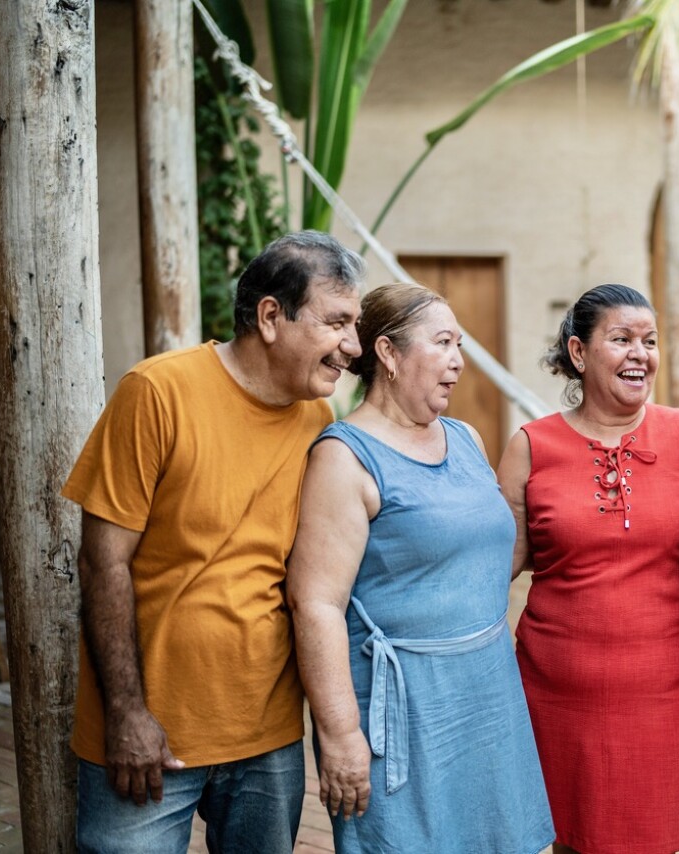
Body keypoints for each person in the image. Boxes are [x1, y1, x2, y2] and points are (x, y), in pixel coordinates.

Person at [62, 231, 364, 853]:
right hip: (150, 735)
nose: (352, 348)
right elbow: (102, 564)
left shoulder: (318, 420)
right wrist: (125, 713)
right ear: (272, 317)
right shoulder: (156, 393)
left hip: (267, 736)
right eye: (337, 323)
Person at [288, 282, 554, 854]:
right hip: (403, 711)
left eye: (459, 344)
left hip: (487, 693)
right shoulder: (344, 457)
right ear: (386, 353)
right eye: (443, 343)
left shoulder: (465, 438)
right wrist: (339, 734)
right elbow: (315, 603)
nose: (458, 360)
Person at [497, 284, 679, 854]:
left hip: (665, 694)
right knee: (570, 839)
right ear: (579, 353)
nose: (641, 353)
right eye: (621, 339)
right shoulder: (531, 447)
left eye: (650, 341)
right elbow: (494, 571)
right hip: (557, 694)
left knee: (657, 841)